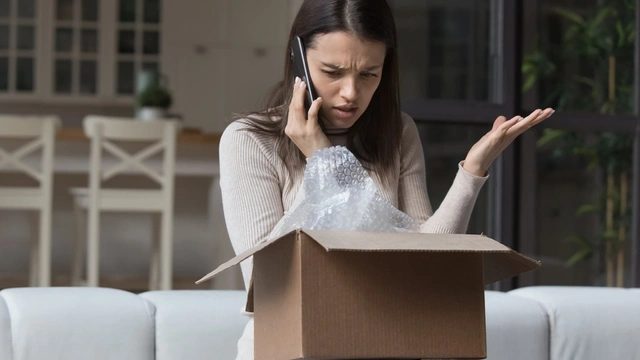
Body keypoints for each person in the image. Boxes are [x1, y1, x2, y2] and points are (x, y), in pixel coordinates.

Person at [218, 0, 554, 359]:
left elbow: (427, 257)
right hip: (289, 348)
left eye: (369, 74)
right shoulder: (249, 141)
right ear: (298, 61)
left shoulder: (397, 133)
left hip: (385, 343)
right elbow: (270, 282)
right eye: (333, 72)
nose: (351, 92)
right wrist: (323, 158)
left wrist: (471, 171)